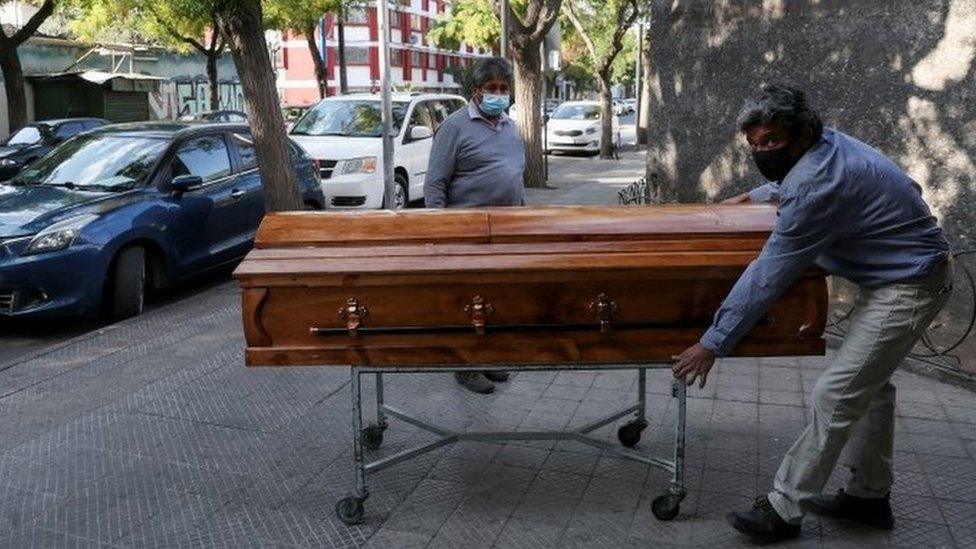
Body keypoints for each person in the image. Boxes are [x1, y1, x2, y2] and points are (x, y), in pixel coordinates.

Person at [670, 84, 952, 544]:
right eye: (754, 144)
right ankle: (867, 498)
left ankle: (783, 508)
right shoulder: (826, 147)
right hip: (901, 278)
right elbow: (795, 178)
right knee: (871, 390)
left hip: (910, 286)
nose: (762, 151)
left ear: (802, 135)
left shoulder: (817, 183)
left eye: (772, 142)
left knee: (835, 393)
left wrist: (712, 342)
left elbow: (768, 274)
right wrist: (754, 196)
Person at [425, 56, 526, 394]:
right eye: (492, 88)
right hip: (466, 235)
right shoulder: (454, 127)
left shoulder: (510, 127)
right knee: (467, 302)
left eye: (504, 88)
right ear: (477, 91)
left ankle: (486, 359)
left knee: (495, 300)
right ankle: (464, 367)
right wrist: (441, 234)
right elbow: (435, 185)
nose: (499, 94)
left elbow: (515, 177)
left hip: (505, 234)